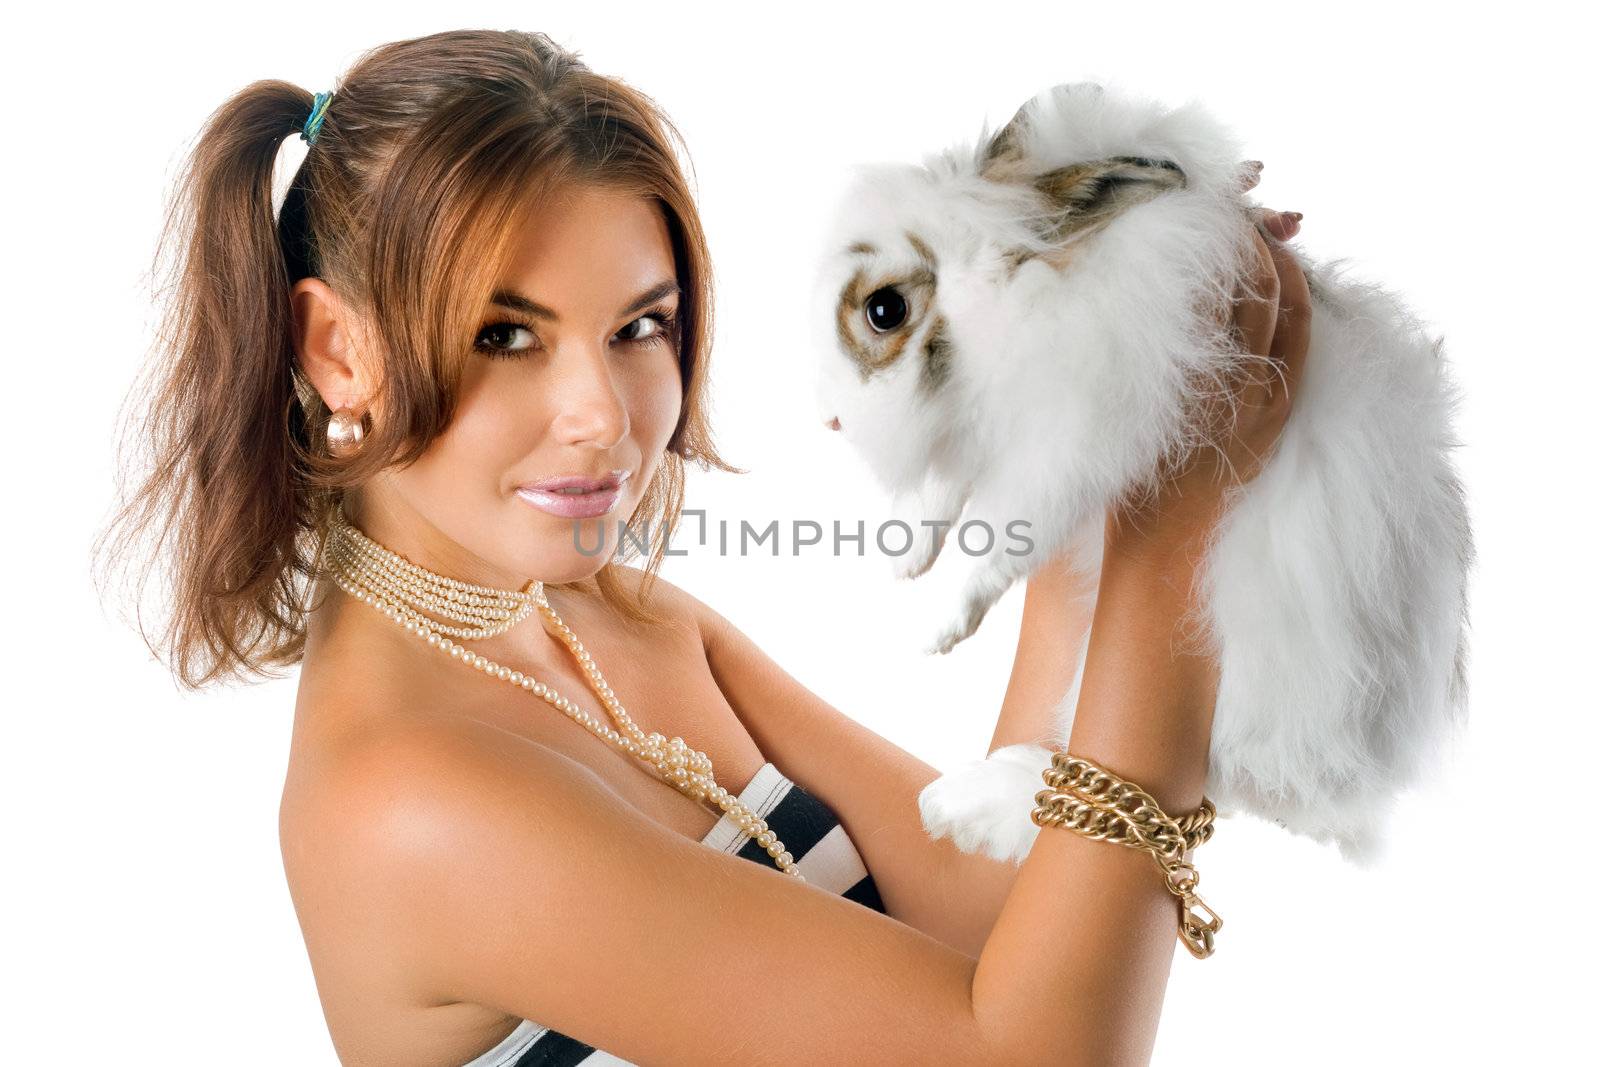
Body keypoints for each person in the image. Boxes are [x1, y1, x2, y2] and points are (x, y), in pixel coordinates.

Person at [99, 27, 1310, 1066]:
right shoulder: (409, 796)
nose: (606, 414)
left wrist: (1091, 442)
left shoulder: (616, 615)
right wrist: (1180, 536)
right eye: (507, 335)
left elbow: (1004, 914)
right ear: (336, 349)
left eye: (639, 326)